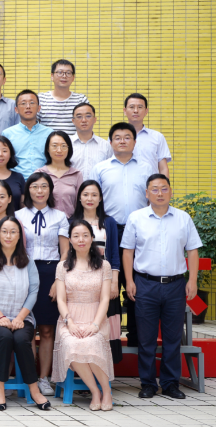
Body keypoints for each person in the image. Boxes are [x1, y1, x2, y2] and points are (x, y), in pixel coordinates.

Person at [122, 174, 201, 400]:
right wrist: (129, 281)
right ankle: (148, 383)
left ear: (171, 192)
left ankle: (170, 383)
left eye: (164, 189)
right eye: (154, 189)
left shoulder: (183, 218)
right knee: (146, 338)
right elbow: (127, 252)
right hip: (145, 284)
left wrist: (192, 280)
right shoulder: (136, 218)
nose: (159, 193)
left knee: (172, 338)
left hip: (175, 285)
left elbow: (193, 250)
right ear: (147, 193)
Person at [0, 216, 51, 411]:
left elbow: (33, 292)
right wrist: (0, 317)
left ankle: (34, 389)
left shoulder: (28, 262)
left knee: (21, 339)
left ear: (19, 236)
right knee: (4, 336)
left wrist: (20, 317)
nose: (8, 236)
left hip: (22, 318)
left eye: (13, 232)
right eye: (4, 231)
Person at [89, 122, 153, 345]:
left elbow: (152, 200)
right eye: (117, 137)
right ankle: (106, 340)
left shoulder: (147, 168)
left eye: (127, 137)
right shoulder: (100, 168)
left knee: (137, 285)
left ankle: (137, 339)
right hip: (110, 231)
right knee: (106, 283)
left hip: (139, 232)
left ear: (134, 142)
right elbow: (92, 199)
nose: (122, 141)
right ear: (110, 142)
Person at [15, 172, 70, 396]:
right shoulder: (18, 215)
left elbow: (65, 251)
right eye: (35, 186)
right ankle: (28, 378)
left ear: (50, 190)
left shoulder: (60, 216)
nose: (39, 191)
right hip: (24, 271)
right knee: (27, 327)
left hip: (50, 271)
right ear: (28, 190)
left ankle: (44, 378)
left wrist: (58, 279)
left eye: (44, 186)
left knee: (47, 329)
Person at [53, 220, 115, 411]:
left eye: (85, 235)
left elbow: (105, 299)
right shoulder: (62, 266)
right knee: (72, 344)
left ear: (92, 238)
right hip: (69, 319)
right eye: (76, 236)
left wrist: (95, 325)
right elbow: (61, 300)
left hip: (96, 318)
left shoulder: (104, 265)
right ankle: (95, 391)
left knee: (91, 342)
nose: (81, 239)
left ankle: (107, 392)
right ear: (70, 240)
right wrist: (69, 322)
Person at [71, 180, 122, 362]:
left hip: (104, 279)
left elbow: (114, 254)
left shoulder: (109, 222)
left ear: (100, 198)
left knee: (105, 320)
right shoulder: (72, 222)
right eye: (85, 194)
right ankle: (83, 366)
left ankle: (104, 367)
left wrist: (115, 282)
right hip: (79, 280)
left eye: (94, 195)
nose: (90, 198)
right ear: (79, 198)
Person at [2, 90, 53, 180]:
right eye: (23, 103)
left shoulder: (49, 133)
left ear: (39, 108)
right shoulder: (7, 134)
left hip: (44, 182)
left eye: (32, 103)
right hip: (16, 182)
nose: (28, 107)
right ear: (16, 109)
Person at [124, 93, 171, 176]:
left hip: (151, 183)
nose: (136, 110)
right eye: (131, 107)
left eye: (140, 107)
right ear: (125, 111)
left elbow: (163, 168)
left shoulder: (157, 137)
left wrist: (164, 184)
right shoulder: (115, 138)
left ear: (146, 111)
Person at [37, 131, 83, 216]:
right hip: (46, 221)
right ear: (47, 149)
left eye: (63, 146)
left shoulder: (76, 174)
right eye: (54, 146)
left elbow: (80, 203)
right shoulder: (40, 173)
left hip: (70, 221)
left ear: (69, 149)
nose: (59, 150)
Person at [37, 59, 88, 134]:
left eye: (68, 73)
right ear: (52, 76)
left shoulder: (81, 100)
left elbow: (86, 125)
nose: (64, 76)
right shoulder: (41, 99)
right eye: (60, 72)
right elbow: (33, 126)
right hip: (47, 141)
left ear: (73, 77)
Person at [69, 102, 113, 179]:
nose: (84, 120)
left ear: (94, 119)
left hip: (98, 186)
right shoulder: (67, 144)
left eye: (88, 116)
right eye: (79, 117)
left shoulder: (106, 145)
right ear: (73, 121)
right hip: (72, 186)